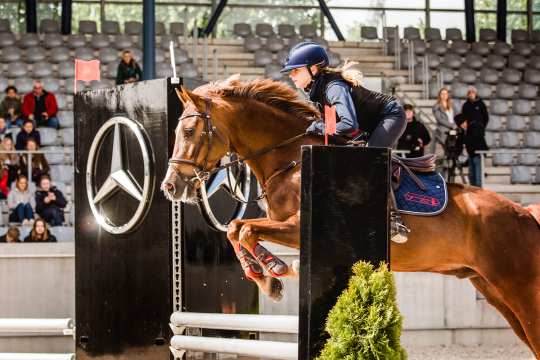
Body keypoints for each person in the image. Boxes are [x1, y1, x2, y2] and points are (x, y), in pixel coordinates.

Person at [281, 42, 406, 148]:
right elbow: (332, 128)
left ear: (313, 69)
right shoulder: (317, 91)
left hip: (390, 114)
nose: (291, 75)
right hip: (370, 123)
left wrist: (320, 127)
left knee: (371, 161)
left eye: (295, 70)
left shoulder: (334, 88)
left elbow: (348, 125)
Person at [460, 86, 489, 187]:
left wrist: (480, 127)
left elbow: (486, 118)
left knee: (478, 165)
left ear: (475, 93)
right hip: (469, 139)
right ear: (468, 94)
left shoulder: (481, 104)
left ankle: (479, 188)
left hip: (479, 139)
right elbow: (463, 119)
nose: (471, 94)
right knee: (471, 169)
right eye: (469, 92)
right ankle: (473, 187)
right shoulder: (465, 105)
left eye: (473, 92)